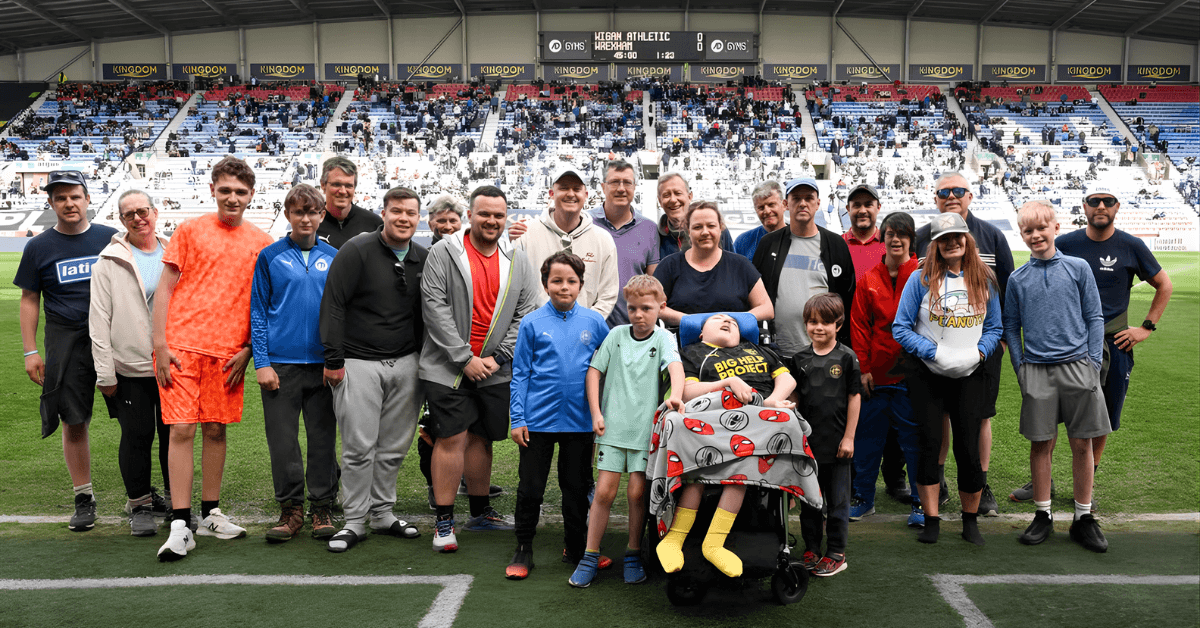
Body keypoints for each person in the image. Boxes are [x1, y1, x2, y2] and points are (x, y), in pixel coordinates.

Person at [1011, 185, 1172, 506]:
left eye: (1107, 201)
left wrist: (1146, 328)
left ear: (1117, 206)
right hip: (1064, 345)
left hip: (1111, 343)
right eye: (1094, 201)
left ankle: (1087, 483)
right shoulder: (1066, 243)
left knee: (1101, 419)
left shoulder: (1131, 245)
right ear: (1083, 206)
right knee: (1046, 421)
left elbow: (1164, 284)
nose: (1101, 206)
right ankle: (1043, 482)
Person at [154, 157, 274, 561]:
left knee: (216, 431)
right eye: (225, 190)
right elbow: (165, 288)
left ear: (252, 195)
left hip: (228, 354)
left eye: (240, 192)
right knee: (181, 429)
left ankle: (210, 513)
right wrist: (160, 344)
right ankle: (180, 524)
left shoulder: (262, 243)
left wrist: (249, 349)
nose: (232, 198)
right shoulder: (190, 230)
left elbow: (263, 304)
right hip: (181, 348)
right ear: (212, 190)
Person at [421, 186, 541, 553]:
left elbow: (526, 313)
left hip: (495, 368)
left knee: (481, 437)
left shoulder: (518, 258)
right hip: (448, 367)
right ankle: (444, 521)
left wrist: (498, 357)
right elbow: (434, 306)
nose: (491, 221)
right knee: (451, 437)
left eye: (498, 215)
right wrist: (464, 358)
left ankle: (480, 511)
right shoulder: (445, 251)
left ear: (506, 218)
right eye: (484, 214)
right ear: (470, 215)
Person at [319, 186, 427, 552]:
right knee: (358, 447)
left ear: (418, 218)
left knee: (394, 447)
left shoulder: (423, 257)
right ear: (384, 213)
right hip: (358, 361)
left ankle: (382, 512)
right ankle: (354, 519)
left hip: (407, 363)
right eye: (396, 211)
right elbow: (334, 304)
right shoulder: (357, 249)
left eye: (410, 213)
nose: (403, 218)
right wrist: (334, 360)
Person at [1003, 201, 1110, 553]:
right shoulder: (1018, 278)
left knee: (1082, 444)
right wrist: (1021, 369)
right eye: (1028, 230)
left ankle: (1083, 517)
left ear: (1055, 227)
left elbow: (1094, 317)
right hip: (1036, 370)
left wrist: (1093, 364)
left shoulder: (1078, 268)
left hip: (1079, 367)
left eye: (1041, 228)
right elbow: (1011, 326)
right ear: (1022, 235)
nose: (1036, 235)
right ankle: (1043, 514)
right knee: (1040, 444)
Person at [655, 313, 797, 578]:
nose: (727, 320)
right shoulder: (692, 352)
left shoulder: (759, 350)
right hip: (712, 419)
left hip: (757, 417)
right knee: (696, 461)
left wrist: (770, 402)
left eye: (732, 320)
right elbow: (687, 392)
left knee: (744, 465)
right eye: (717, 319)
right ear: (701, 334)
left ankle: (714, 543)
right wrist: (728, 383)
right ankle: (674, 538)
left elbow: (788, 380)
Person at [892, 212, 1002, 546]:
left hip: (970, 375)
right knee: (929, 445)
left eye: (957, 237)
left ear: (967, 239)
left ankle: (970, 521)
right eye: (944, 239)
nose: (952, 243)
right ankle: (932, 519)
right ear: (935, 244)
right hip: (928, 375)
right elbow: (901, 327)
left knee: (968, 449)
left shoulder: (985, 278)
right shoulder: (920, 279)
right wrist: (933, 352)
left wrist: (978, 353)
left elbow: (995, 327)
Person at [17, 171, 117, 533]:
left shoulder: (111, 238)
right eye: (60, 198)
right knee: (73, 420)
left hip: (114, 337)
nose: (69, 203)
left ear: (88, 199)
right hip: (66, 340)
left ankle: (140, 492)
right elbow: (29, 298)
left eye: (75, 196)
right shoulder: (38, 247)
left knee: (136, 417)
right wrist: (30, 351)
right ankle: (83, 497)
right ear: (50, 203)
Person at [569, 275, 684, 587]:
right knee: (604, 492)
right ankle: (589, 555)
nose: (638, 315)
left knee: (637, 494)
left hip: (645, 433)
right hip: (613, 428)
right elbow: (594, 372)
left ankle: (633, 554)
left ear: (661, 307)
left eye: (646, 308)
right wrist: (596, 413)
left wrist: (675, 395)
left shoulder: (664, 338)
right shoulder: (617, 334)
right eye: (632, 308)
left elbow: (676, 369)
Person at [506, 253, 609, 581]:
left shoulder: (594, 322)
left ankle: (576, 548)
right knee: (530, 488)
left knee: (576, 488)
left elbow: (609, 366)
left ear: (581, 284)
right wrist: (518, 418)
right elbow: (520, 374)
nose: (564, 287)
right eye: (557, 281)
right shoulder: (532, 322)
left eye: (571, 281)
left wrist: (602, 412)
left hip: (580, 422)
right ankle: (524, 548)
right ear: (545, 284)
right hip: (537, 422)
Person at [915, 172, 1012, 517]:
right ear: (935, 198)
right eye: (944, 192)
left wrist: (1000, 341)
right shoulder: (922, 236)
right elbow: (913, 289)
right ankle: (939, 481)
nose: (951, 196)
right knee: (939, 415)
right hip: (934, 350)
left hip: (982, 347)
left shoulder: (993, 235)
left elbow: (1007, 290)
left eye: (958, 190)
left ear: (970, 195)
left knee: (980, 415)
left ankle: (980, 483)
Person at [250, 184, 339, 543]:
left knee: (322, 440)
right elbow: (258, 311)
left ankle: (322, 507)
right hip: (280, 367)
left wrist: (336, 358)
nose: (305, 218)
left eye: (312, 212)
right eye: (298, 212)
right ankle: (290, 510)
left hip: (323, 366)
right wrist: (262, 362)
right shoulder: (270, 256)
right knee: (283, 442)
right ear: (287, 214)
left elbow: (340, 312)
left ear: (321, 215)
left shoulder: (334, 256)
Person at [89, 190, 170, 537]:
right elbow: (99, 320)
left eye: (142, 211)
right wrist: (105, 372)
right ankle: (139, 505)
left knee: (174, 437)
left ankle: (177, 503)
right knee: (137, 435)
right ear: (121, 220)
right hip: (129, 366)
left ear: (155, 212)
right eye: (129, 214)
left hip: (171, 365)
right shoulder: (108, 262)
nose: (138, 218)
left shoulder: (174, 252)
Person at [847, 211, 925, 528]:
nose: (896, 239)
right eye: (890, 233)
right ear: (883, 238)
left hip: (912, 375)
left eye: (902, 234)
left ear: (911, 239)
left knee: (914, 443)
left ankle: (921, 503)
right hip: (876, 377)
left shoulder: (923, 276)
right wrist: (864, 369)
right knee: (868, 442)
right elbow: (859, 327)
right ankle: (863, 499)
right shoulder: (869, 279)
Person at [792, 293, 863, 577]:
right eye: (812, 322)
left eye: (825, 322)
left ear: (838, 325)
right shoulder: (799, 359)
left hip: (837, 445)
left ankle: (836, 552)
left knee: (837, 502)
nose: (818, 327)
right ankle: (811, 549)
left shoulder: (847, 358)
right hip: (808, 446)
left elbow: (855, 397)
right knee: (810, 501)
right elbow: (795, 397)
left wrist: (849, 437)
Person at [751, 177, 856, 356]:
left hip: (823, 354)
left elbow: (847, 297)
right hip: (778, 353)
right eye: (796, 198)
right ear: (786, 204)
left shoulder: (835, 244)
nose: (802, 203)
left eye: (808, 198)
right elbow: (756, 294)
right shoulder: (769, 243)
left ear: (818, 203)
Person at [513, 168, 619, 319]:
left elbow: (608, 295)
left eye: (576, 189)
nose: (570, 194)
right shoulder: (526, 233)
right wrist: (536, 323)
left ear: (586, 195)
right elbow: (517, 290)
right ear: (551, 193)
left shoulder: (603, 239)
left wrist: (586, 324)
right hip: (537, 328)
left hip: (585, 329)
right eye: (563, 188)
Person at [654, 201, 773, 328]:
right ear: (688, 231)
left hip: (733, 339)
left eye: (711, 226)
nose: (705, 232)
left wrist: (732, 320)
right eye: (697, 227)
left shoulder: (741, 265)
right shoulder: (669, 266)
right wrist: (690, 321)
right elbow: (652, 305)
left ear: (720, 228)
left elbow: (767, 309)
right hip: (682, 340)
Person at [590, 160, 660, 327]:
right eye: (614, 182)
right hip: (590, 328)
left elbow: (653, 285)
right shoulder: (585, 223)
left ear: (634, 187)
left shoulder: (649, 229)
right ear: (603, 187)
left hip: (634, 329)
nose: (621, 188)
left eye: (627, 183)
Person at [656, 173, 734, 259]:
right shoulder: (655, 236)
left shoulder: (716, 230)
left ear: (690, 197)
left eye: (678, 193)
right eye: (666, 195)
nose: (673, 200)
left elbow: (732, 263)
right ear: (660, 201)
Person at [317, 156, 383, 248]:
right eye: (336, 184)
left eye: (348, 186)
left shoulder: (374, 224)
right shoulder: (312, 224)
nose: (343, 191)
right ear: (323, 185)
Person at [733, 180, 786, 260]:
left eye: (771, 204)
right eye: (761, 207)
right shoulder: (743, 242)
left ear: (784, 205)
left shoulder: (800, 240)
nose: (767, 211)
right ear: (755, 210)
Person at [842, 183, 885, 282]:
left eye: (868, 205)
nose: (862, 211)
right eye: (856, 205)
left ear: (878, 207)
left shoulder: (889, 245)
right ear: (848, 209)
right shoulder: (837, 244)